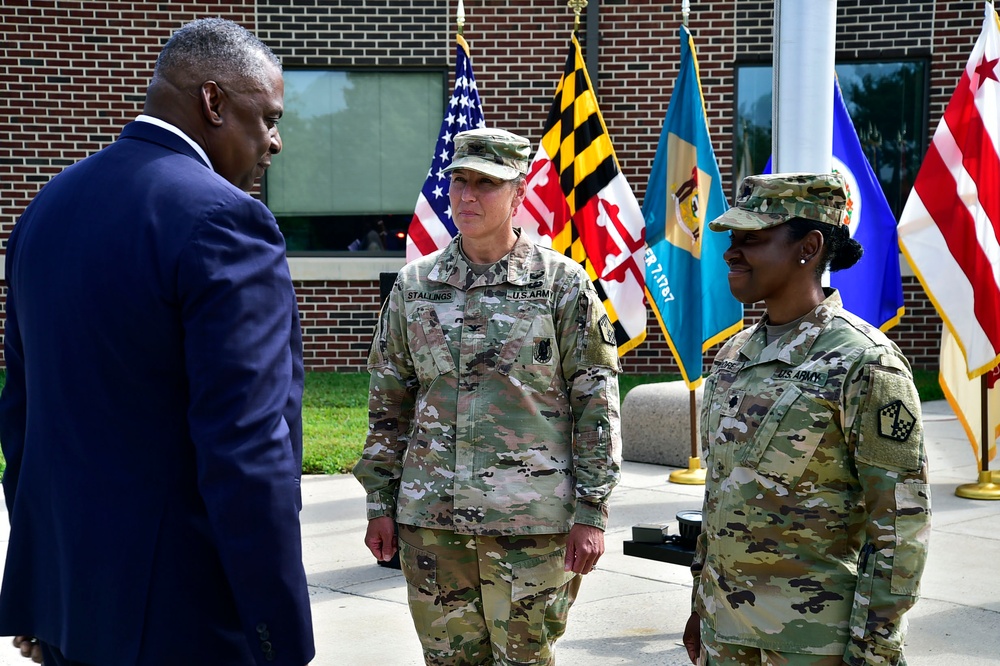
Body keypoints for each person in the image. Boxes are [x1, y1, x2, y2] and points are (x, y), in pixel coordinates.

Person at [0, 18, 314, 666]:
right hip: (185, 623)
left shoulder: (47, 209)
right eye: (269, 117)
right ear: (214, 102)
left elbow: (22, 421)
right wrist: (279, 636)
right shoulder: (225, 220)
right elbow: (247, 449)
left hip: (73, 611)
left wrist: (40, 594)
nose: (275, 142)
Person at [354, 127, 623, 665]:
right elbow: (389, 405)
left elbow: (596, 402)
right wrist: (379, 504)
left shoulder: (561, 285)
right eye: (459, 182)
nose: (468, 196)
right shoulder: (415, 286)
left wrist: (592, 510)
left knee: (525, 659)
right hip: (432, 521)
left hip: (529, 524)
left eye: (487, 183)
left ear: (519, 193)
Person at [682, 173, 930, 666]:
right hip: (725, 631)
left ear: (809, 246)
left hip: (814, 643)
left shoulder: (864, 362)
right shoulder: (734, 355)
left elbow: (900, 524)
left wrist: (873, 650)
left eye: (752, 239)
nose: (732, 252)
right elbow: (722, 496)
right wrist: (699, 607)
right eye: (732, 240)